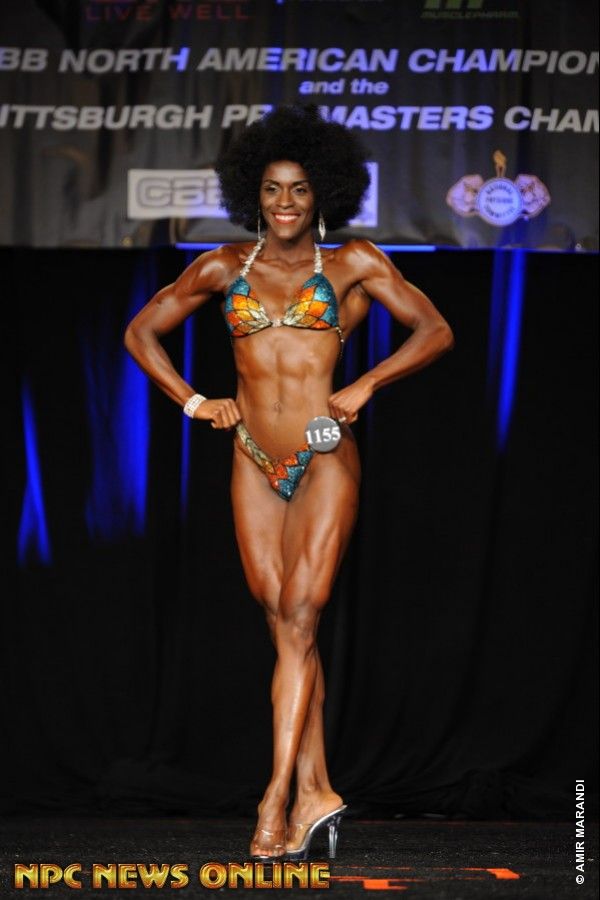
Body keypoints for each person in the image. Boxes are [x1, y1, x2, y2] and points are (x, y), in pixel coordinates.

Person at [124, 105, 454, 861]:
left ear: (321, 194)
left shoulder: (352, 263)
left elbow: (436, 330)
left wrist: (367, 384)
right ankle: (319, 792)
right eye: (272, 188)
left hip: (323, 456)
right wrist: (194, 401)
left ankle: (274, 800)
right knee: (283, 625)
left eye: (299, 189)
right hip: (250, 457)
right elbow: (140, 331)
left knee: (300, 619)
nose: (284, 202)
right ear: (254, 193)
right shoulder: (222, 267)